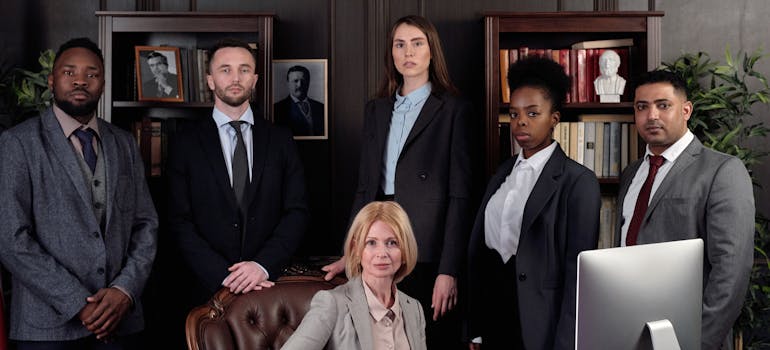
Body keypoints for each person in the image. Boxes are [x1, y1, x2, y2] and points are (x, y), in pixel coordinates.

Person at [321, 15, 474, 349]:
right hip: (380, 245)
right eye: (400, 44)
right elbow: (365, 188)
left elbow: (460, 197)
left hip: (428, 249)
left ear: (432, 52)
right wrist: (351, 251)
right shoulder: (376, 110)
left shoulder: (452, 110)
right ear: (391, 54)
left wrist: (449, 271)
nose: (409, 52)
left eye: (417, 43)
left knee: (425, 339)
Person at [0, 37, 158, 349]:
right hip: (46, 327)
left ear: (102, 83)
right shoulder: (18, 143)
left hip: (119, 322)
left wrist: (124, 290)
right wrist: (78, 303)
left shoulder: (124, 142)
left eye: (92, 74)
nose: (80, 81)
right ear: (51, 80)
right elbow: (11, 238)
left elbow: (145, 225)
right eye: (69, 72)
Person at [466, 56, 601, 350]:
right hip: (494, 313)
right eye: (514, 114)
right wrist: (475, 327)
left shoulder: (578, 182)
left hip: (541, 323)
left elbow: (578, 276)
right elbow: (481, 255)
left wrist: (566, 343)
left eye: (532, 113)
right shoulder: (500, 174)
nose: (521, 122)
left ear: (554, 118)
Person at [616, 70, 754, 350]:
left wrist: (697, 343)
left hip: (689, 336)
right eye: (642, 107)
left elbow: (731, 271)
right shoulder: (631, 174)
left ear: (686, 110)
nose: (651, 115)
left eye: (663, 105)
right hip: (628, 330)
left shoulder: (723, 170)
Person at [167, 38, 309, 308]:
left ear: (254, 80)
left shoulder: (281, 139)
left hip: (269, 285)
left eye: (244, 70)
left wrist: (262, 265)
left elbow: (297, 211)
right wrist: (225, 277)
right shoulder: (184, 142)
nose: (235, 77)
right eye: (225, 69)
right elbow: (178, 221)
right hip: (205, 290)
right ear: (210, 80)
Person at [282, 201, 426, 350]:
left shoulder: (414, 309)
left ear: (405, 250)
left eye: (392, 242)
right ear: (356, 249)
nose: (382, 253)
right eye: (371, 243)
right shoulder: (332, 304)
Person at [274, 65, 325, 136]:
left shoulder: (321, 107)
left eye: (303, 81)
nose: (300, 84)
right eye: (295, 81)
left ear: (308, 82)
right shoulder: (277, 109)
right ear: (288, 83)